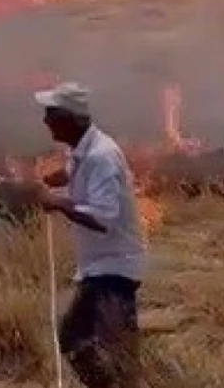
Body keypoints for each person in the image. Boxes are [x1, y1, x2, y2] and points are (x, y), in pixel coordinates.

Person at [24, 81, 146, 388]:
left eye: (51, 114)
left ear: (70, 118)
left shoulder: (100, 156)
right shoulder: (83, 150)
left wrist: (58, 203)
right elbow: (79, 170)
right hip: (101, 266)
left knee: (88, 342)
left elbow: (104, 218)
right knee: (93, 344)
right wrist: (62, 177)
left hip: (113, 269)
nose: (46, 121)